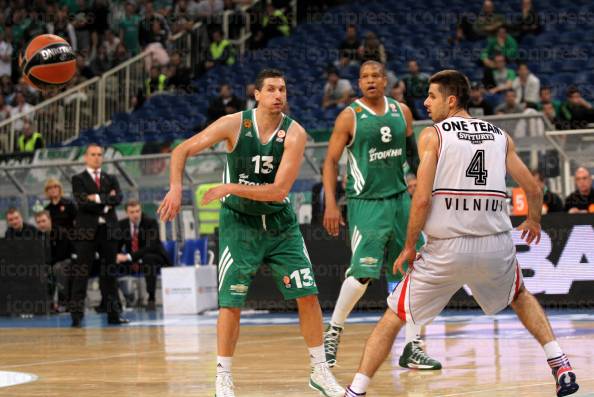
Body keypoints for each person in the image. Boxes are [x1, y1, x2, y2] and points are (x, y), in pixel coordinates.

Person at [343, 69, 579, 397]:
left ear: (451, 100)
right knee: (521, 297)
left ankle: (356, 390)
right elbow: (534, 189)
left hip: (446, 248)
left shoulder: (434, 136)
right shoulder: (500, 135)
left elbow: (422, 199)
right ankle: (561, 364)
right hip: (495, 245)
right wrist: (535, 221)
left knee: (393, 317)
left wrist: (410, 244)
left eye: (432, 96)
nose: (425, 102)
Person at [157, 69, 344, 397]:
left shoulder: (295, 133)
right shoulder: (233, 124)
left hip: (279, 224)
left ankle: (320, 371)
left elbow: (277, 191)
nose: (278, 95)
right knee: (231, 303)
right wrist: (175, 188)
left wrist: (229, 186)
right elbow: (181, 150)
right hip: (239, 225)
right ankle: (223, 377)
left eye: (282, 89)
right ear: (256, 94)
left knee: (307, 294)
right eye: (271, 89)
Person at [322, 61, 441, 371]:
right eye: (365, 76)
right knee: (362, 274)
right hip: (366, 203)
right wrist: (331, 204)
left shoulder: (402, 112)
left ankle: (413, 347)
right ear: (359, 83)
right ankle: (333, 332)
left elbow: (414, 157)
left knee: (414, 271)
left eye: (376, 75)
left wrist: (428, 190)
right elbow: (331, 162)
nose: (371, 80)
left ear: (386, 80)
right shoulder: (350, 116)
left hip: (400, 200)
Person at [70, 143, 127, 327]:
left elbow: (118, 198)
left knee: (109, 275)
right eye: (93, 154)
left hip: (108, 232)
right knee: (82, 272)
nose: (96, 157)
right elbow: (82, 203)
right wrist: (105, 200)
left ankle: (113, 315)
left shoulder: (111, 178)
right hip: (87, 232)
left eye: (100, 154)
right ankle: (77, 316)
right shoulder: (78, 179)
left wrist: (95, 197)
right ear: (86, 157)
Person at [116, 199, 172, 310]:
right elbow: (117, 244)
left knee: (148, 259)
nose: (135, 215)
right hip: (134, 259)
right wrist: (115, 255)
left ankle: (151, 299)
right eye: (132, 212)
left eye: (137, 211)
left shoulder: (150, 223)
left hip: (155, 257)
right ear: (126, 213)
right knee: (109, 262)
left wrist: (128, 257)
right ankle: (116, 301)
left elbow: (150, 247)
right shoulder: (122, 225)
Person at [34, 210, 75, 312]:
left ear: (50, 220)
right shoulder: (37, 236)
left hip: (67, 261)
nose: (41, 224)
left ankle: (64, 304)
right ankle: (48, 304)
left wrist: (47, 265)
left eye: (43, 221)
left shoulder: (61, 232)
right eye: (38, 222)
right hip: (49, 263)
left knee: (57, 268)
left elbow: (61, 255)